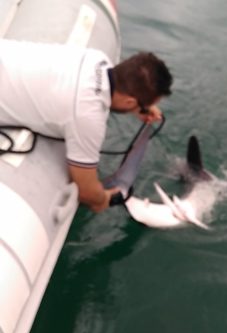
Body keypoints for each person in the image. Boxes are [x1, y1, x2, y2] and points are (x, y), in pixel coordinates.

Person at [0, 39, 173, 212]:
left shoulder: (96, 58)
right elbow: (86, 192)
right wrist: (103, 199)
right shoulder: (87, 117)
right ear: (129, 101)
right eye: (141, 106)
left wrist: (140, 107)